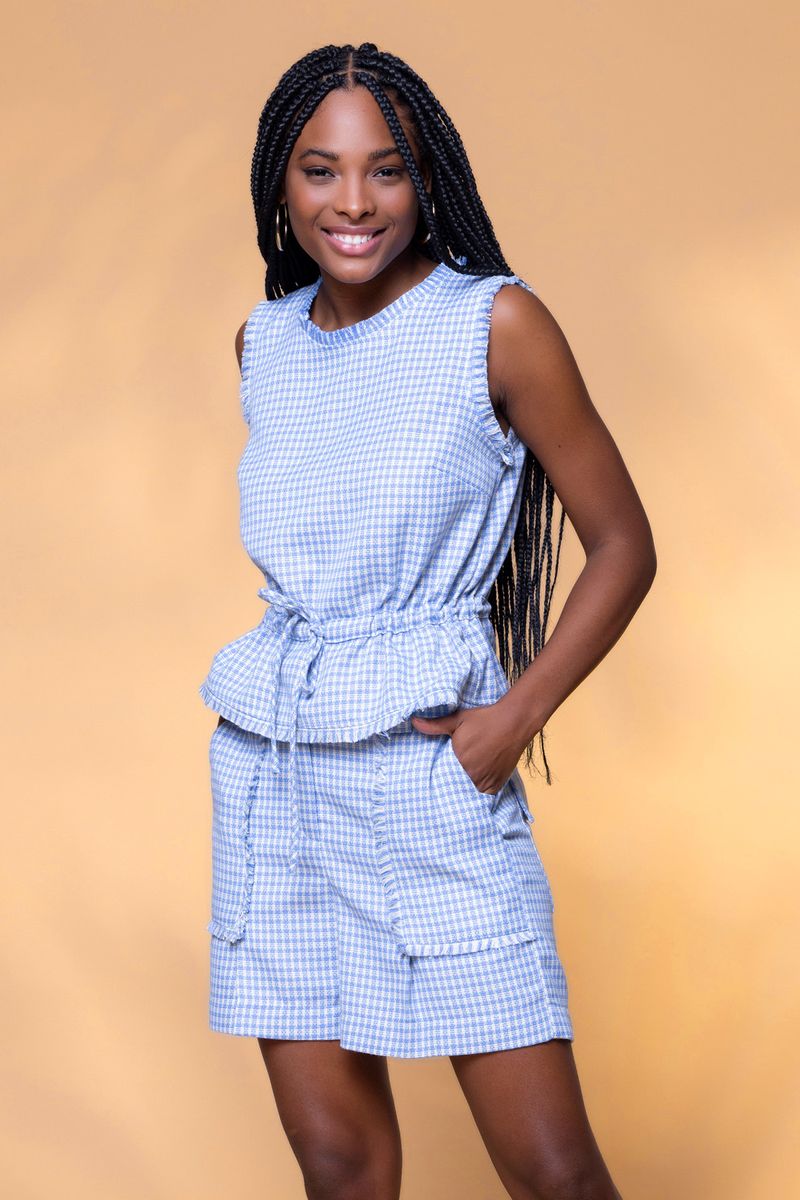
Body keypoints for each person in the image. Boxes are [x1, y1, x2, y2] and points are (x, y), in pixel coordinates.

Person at [199, 42, 655, 1200]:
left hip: (427, 771)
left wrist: (511, 721)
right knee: (340, 1164)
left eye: (386, 170)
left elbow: (622, 544)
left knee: (551, 1172)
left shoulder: (494, 323)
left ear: (426, 179)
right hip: (275, 774)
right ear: (279, 181)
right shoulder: (263, 344)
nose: (352, 203)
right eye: (320, 170)